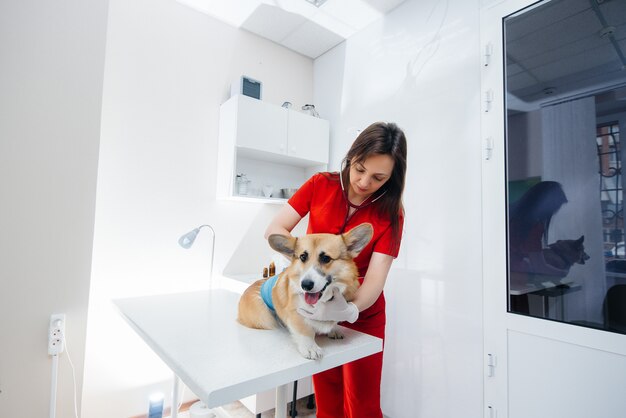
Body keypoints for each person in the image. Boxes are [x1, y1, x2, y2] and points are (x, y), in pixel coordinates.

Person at [264, 121, 407, 418]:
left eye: (378, 177)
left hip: (363, 313)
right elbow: (275, 229)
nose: (365, 182)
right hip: (314, 307)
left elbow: (376, 278)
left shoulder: (390, 213)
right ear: (351, 157)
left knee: (363, 405)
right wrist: (300, 259)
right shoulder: (320, 185)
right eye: (359, 169)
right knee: (327, 400)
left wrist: (349, 311)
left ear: (392, 178)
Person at [508, 180, 568, 312]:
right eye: (555, 207)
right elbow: (539, 266)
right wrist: (564, 274)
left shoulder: (509, 213)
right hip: (515, 283)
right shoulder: (533, 225)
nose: (555, 212)